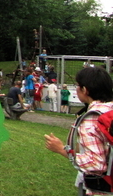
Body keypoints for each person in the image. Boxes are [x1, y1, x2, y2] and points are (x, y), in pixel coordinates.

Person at [44, 67, 113, 195]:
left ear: (85, 90)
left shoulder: (92, 119)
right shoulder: (110, 111)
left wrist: (61, 149)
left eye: (78, 85)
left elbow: (95, 164)